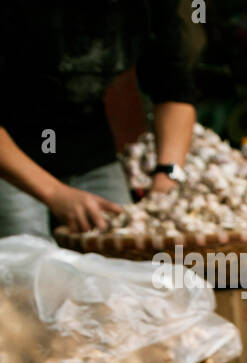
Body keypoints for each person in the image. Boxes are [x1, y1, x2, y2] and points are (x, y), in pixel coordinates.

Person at [0, 1, 198, 238]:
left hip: (89, 149)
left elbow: (173, 88)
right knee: (24, 262)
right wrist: (54, 192)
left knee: (124, 253)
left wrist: (167, 173)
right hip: (10, 155)